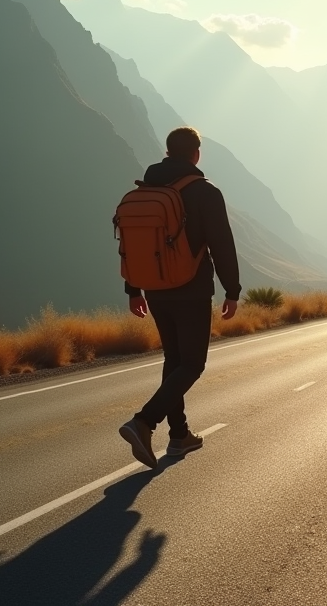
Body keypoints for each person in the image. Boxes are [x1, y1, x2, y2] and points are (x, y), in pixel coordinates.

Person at [119, 127, 240, 467]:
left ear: (168, 152)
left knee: (174, 361)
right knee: (192, 364)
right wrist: (232, 289)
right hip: (192, 289)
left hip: (155, 289)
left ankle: (179, 436)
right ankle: (144, 421)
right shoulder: (204, 192)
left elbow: (132, 244)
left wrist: (133, 289)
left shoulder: (147, 190)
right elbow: (222, 243)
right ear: (196, 154)